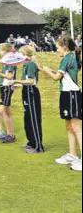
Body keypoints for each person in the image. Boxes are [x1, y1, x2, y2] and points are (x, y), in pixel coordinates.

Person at [38, 37, 82, 171]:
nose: (56, 50)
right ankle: (72, 155)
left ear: (65, 47)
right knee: (69, 126)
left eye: (58, 47)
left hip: (72, 95)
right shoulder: (67, 58)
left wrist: (46, 70)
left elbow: (56, 77)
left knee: (76, 127)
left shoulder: (68, 58)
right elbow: (59, 75)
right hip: (66, 94)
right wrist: (45, 69)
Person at [11, 45, 44, 154]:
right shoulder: (26, 64)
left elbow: (31, 81)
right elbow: (26, 81)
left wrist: (17, 81)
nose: (19, 55)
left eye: (20, 53)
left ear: (24, 53)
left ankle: (38, 147)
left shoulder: (30, 63)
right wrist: (18, 85)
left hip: (31, 92)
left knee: (33, 119)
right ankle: (31, 143)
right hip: (26, 91)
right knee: (27, 119)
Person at [0, 43, 17, 143]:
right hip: (5, 86)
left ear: (6, 51)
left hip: (7, 87)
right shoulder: (6, 62)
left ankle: (9, 134)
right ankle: (10, 134)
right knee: (7, 111)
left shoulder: (10, 62)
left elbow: (10, 76)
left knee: (2, 111)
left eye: (0, 50)